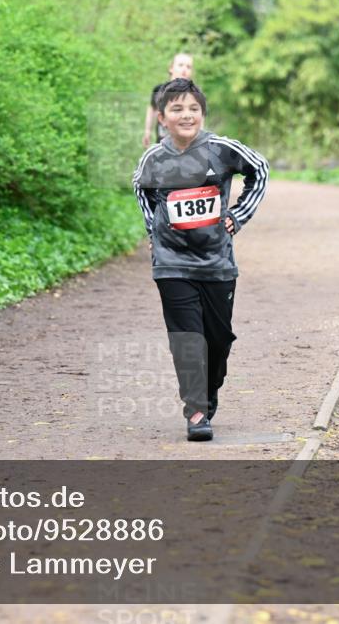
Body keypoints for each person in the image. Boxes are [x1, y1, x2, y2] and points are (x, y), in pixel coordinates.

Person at [133, 79, 268, 441]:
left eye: (193, 108)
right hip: (171, 262)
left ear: (202, 113)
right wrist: (154, 232)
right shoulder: (154, 158)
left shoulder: (221, 149)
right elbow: (142, 190)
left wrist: (237, 215)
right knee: (186, 337)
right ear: (162, 118)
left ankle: (208, 392)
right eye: (177, 109)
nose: (186, 115)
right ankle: (195, 411)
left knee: (218, 340)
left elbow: (260, 171)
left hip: (217, 262)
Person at [142, 53, 193, 148]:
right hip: (162, 143)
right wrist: (147, 131)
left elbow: (199, 118)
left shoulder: (194, 94)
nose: (184, 69)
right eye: (180, 65)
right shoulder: (159, 90)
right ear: (171, 68)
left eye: (188, 67)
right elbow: (152, 108)